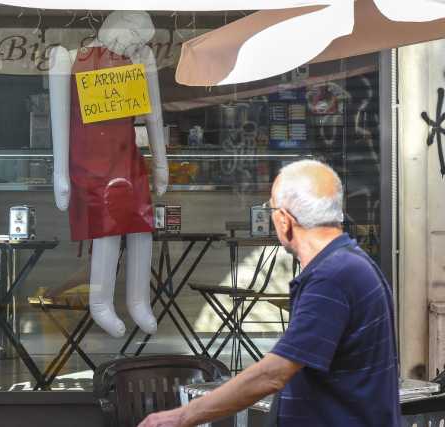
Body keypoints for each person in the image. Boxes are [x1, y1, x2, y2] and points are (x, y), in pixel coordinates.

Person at [138, 159, 400, 427]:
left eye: (270, 209)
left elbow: (273, 374)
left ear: (284, 220)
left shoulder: (334, 277)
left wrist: (182, 416)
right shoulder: (347, 265)